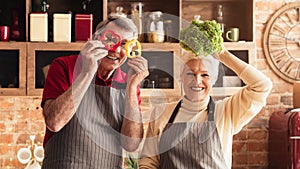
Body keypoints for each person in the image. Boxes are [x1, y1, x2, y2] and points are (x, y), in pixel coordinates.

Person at [41, 17, 149, 168]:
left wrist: (131, 87)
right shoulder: (64, 66)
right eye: (110, 39)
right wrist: (87, 72)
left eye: (125, 44)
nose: (116, 49)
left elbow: (131, 144)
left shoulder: (129, 82)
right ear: (95, 39)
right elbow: (54, 122)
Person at [138, 47, 272, 168]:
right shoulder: (162, 112)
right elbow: (149, 161)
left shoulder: (226, 111)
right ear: (181, 77)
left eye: (205, 75)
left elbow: (262, 86)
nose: (197, 81)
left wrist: (222, 53)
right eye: (190, 73)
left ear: (213, 79)